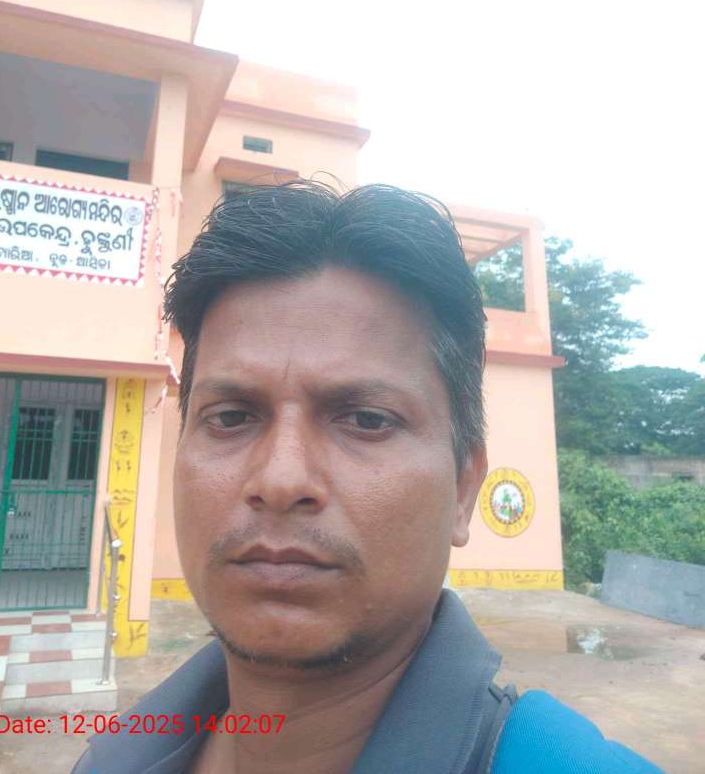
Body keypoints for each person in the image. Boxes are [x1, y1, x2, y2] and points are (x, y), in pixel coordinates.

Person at [72, 180, 663, 774]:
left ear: (464, 488)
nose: (280, 480)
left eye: (366, 420)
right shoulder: (111, 757)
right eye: (230, 417)